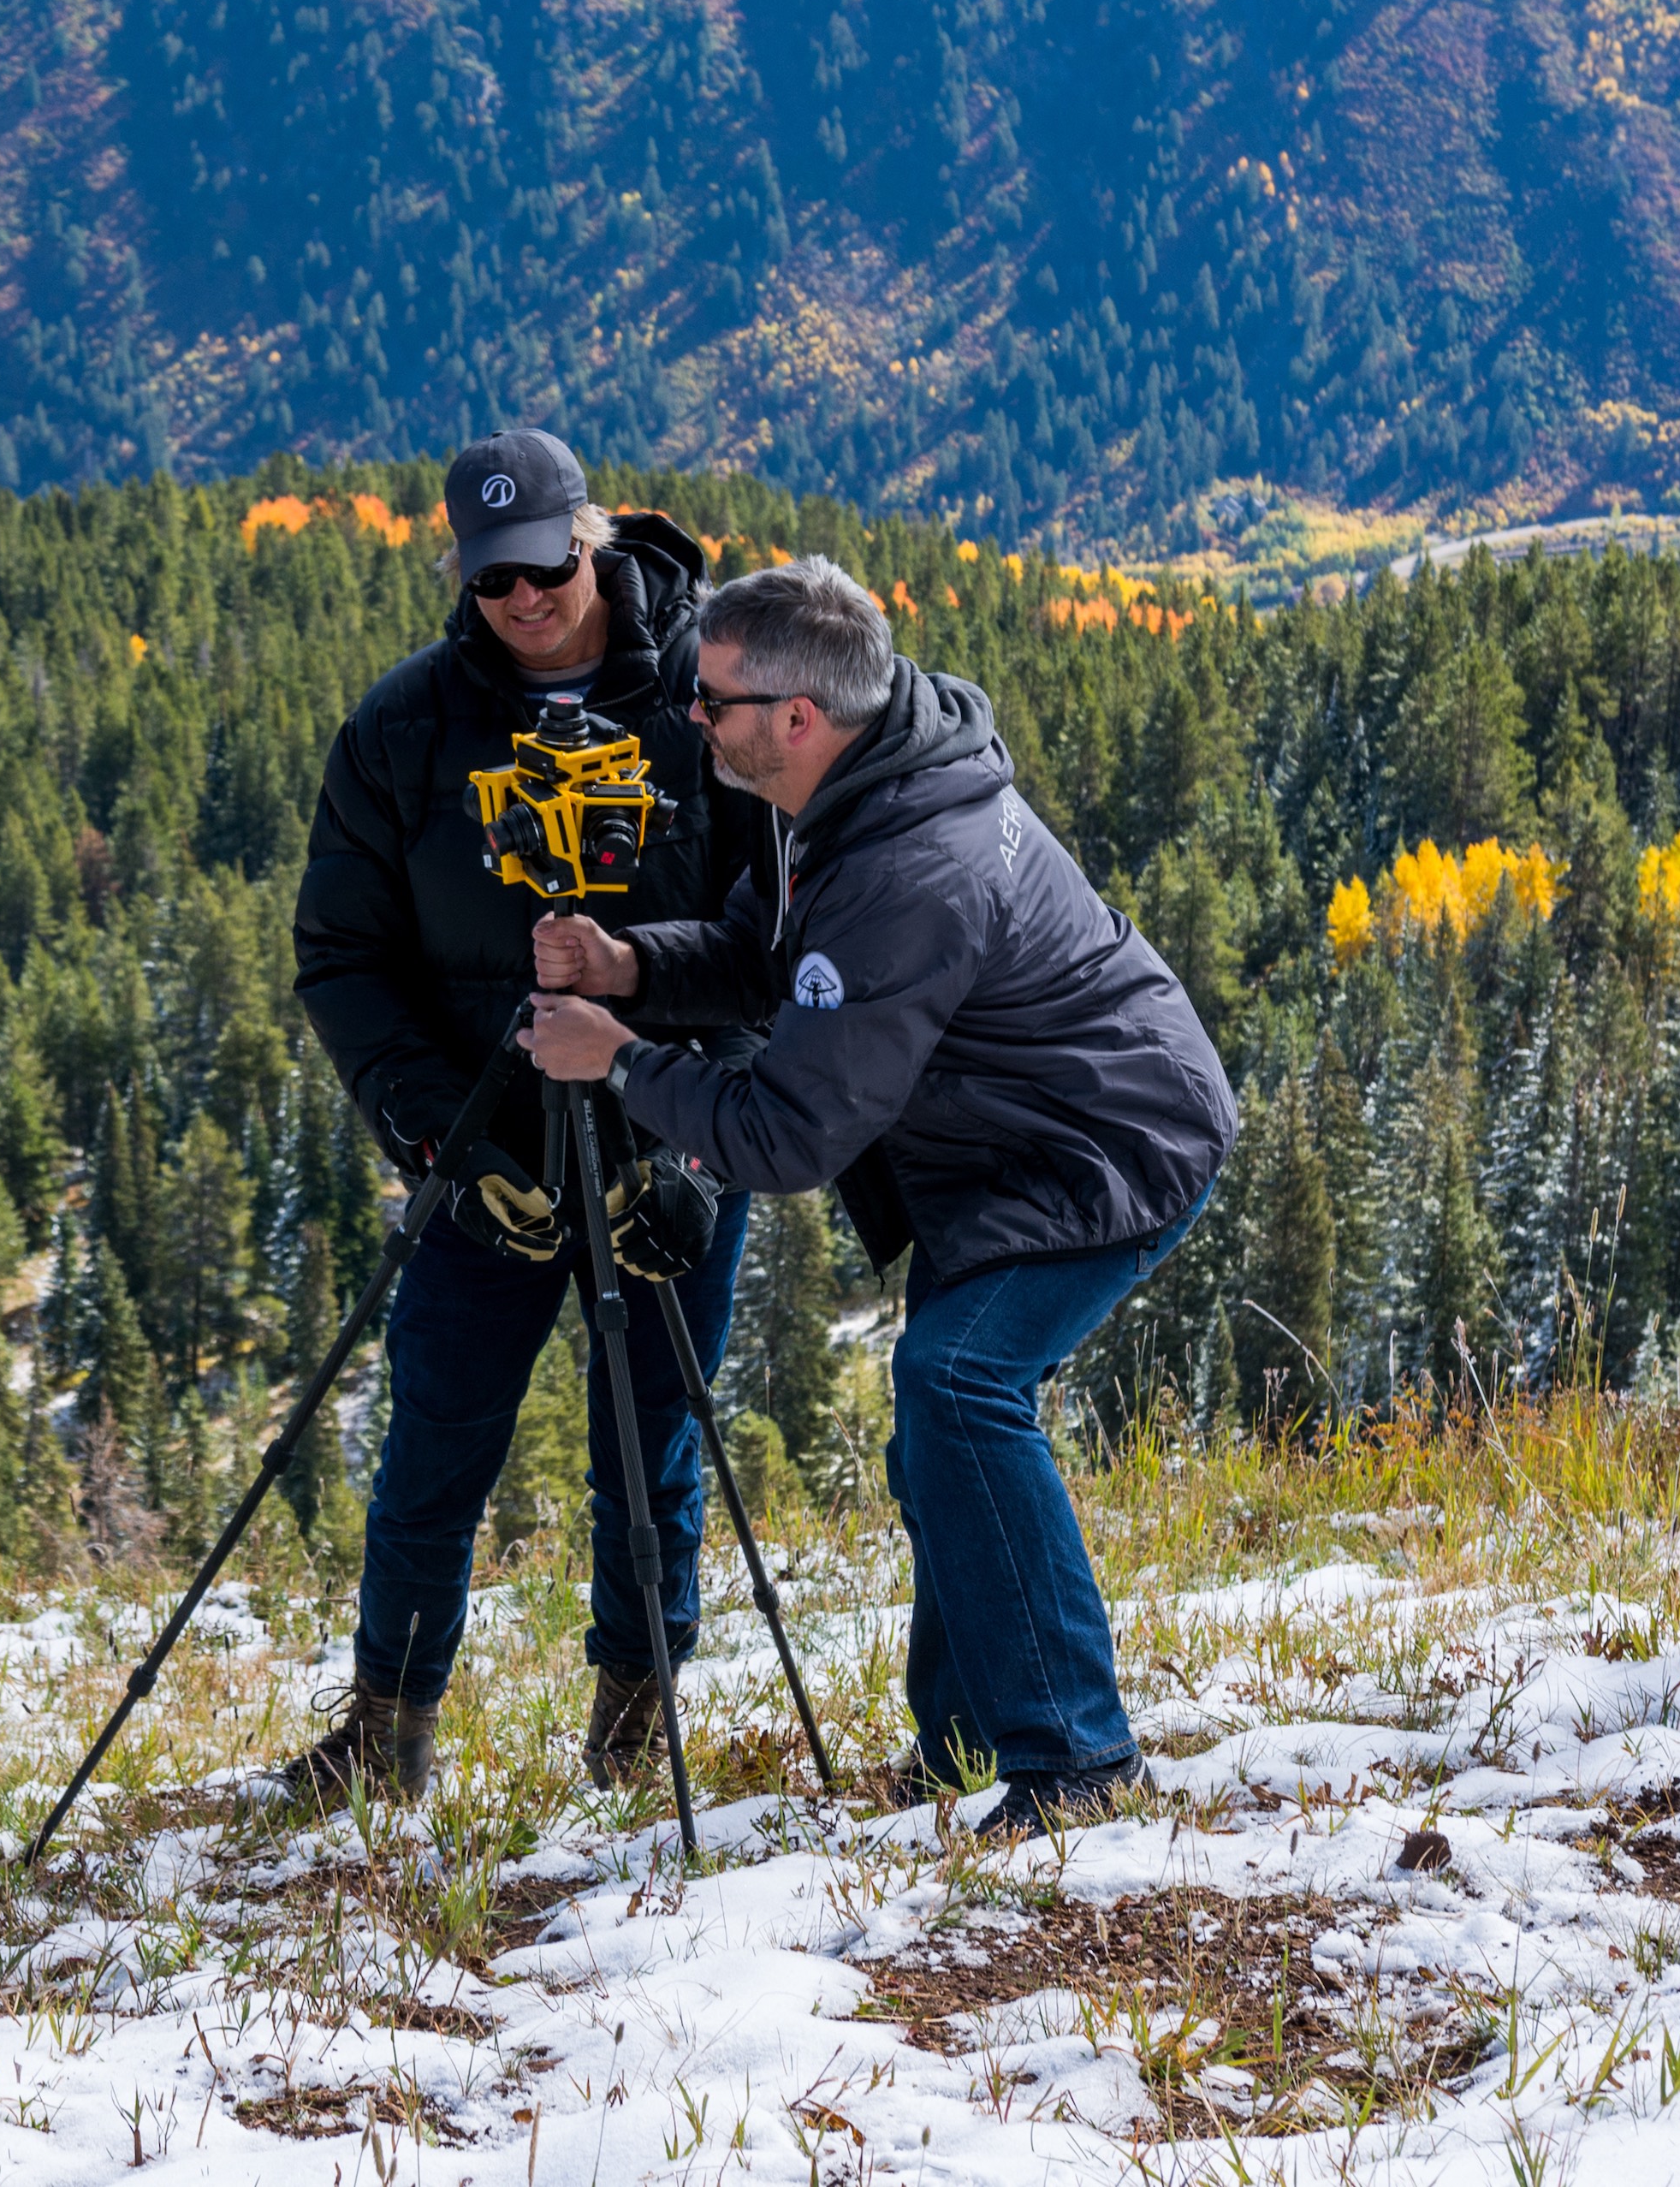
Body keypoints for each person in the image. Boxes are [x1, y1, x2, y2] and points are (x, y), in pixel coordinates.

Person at [520, 558, 1238, 1829]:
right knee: (938, 1429)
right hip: (1009, 1144)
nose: (693, 715)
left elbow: (789, 1131)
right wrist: (628, 964)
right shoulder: (849, 784)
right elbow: (761, 954)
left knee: (958, 1386)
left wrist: (620, 1062)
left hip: (1109, 1145)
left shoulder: (911, 868)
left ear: (797, 715)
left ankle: (1079, 1759)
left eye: (713, 698)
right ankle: (964, 1746)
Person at [277, 428, 776, 1804]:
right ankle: (387, 1737)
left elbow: (775, 945)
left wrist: (700, 1145)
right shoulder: (405, 726)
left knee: (651, 1443)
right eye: (492, 579)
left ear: (591, 539)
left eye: (546, 568)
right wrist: (440, 1134)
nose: (524, 600)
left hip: (668, 1133)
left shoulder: (712, 701)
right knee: (436, 1439)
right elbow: (343, 957)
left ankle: (636, 1727)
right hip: (482, 1146)